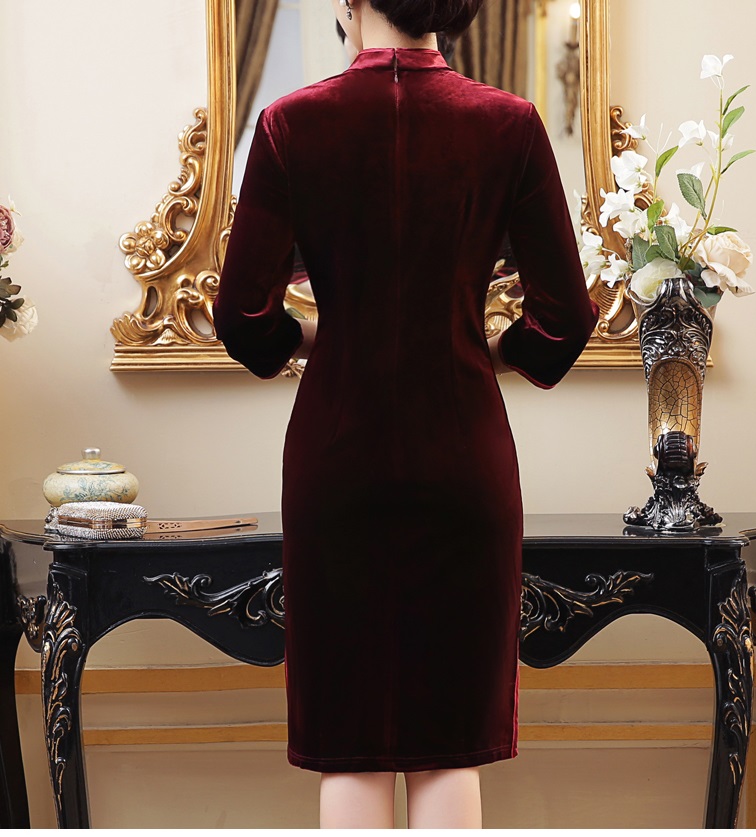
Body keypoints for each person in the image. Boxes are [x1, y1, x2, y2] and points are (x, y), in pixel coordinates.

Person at [214, 0, 598, 828]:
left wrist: (315, 335)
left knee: (349, 742)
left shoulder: (288, 126)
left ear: (351, 5)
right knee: (448, 742)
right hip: (462, 464)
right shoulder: (509, 124)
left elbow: (242, 320)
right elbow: (565, 320)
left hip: (336, 468)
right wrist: (483, 348)